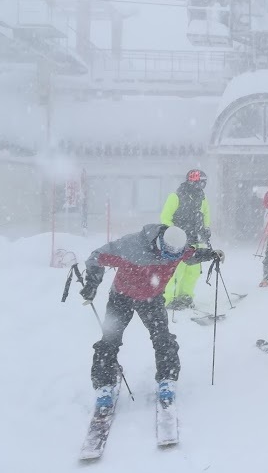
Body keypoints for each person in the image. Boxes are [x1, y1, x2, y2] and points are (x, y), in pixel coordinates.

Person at [78, 224, 223, 411]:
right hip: (121, 296)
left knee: (162, 338)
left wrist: (211, 254)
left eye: (174, 256)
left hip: (151, 299)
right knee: (110, 340)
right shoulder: (131, 246)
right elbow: (96, 257)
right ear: (160, 242)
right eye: (167, 254)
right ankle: (105, 384)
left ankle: (167, 378)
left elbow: (190, 255)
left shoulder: (178, 249)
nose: (169, 259)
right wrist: (92, 284)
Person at [161, 169, 212, 310]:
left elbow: (205, 213)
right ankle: (168, 300)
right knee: (176, 271)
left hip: (195, 240)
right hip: (178, 242)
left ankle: (185, 297)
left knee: (193, 272)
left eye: (204, 183)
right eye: (200, 182)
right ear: (192, 182)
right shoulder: (176, 197)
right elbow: (165, 218)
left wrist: (206, 229)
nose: (202, 186)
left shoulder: (202, 198)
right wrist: (175, 235)